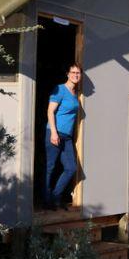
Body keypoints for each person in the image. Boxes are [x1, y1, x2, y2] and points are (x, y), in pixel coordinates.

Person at [43, 63, 82, 209]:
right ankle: (47, 202)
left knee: (71, 168)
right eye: (73, 72)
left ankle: (56, 196)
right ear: (68, 74)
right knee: (50, 168)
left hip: (67, 137)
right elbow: (50, 111)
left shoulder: (76, 93)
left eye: (78, 73)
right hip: (54, 133)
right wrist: (53, 132)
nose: (75, 75)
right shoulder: (60, 89)